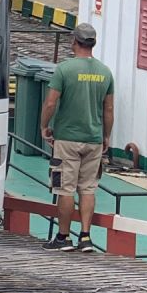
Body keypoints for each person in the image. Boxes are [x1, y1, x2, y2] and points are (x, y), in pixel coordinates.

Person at [40, 22, 114, 252]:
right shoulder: (105, 72)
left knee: (65, 189)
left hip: (67, 139)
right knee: (88, 188)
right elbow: (109, 110)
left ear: (74, 41)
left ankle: (63, 237)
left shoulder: (64, 70)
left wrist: (44, 126)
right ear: (94, 43)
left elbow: (51, 102)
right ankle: (85, 237)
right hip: (93, 139)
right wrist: (106, 137)